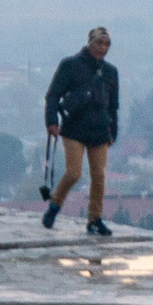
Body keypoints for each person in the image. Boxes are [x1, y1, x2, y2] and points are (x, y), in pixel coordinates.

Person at [40, 26, 118, 235]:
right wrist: (51, 121)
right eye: (99, 43)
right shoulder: (70, 65)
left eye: (106, 44)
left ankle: (94, 219)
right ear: (90, 43)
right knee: (74, 172)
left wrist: (113, 132)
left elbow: (113, 107)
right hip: (74, 128)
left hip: (100, 131)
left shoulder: (111, 72)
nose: (103, 48)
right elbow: (53, 95)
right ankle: (54, 207)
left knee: (99, 176)